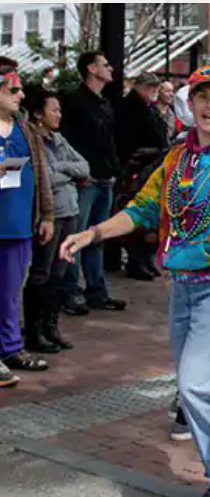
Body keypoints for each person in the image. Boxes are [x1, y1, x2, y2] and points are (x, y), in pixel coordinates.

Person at [60, 65, 210, 497]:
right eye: (203, 97)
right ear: (191, 103)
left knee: (198, 384)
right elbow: (142, 209)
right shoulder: (177, 158)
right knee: (201, 386)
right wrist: (93, 233)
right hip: (183, 285)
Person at [22, 86, 90, 356]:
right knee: (42, 272)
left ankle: (51, 327)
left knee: (60, 274)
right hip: (51, 214)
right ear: (39, 114)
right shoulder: (32, 140)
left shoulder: (59, 140)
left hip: (70, 210)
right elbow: (42, 177)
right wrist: (67, 173)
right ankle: (34, 330)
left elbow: (84, 167)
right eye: (54, 110)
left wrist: (61, 170)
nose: (59, 114)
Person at [59, 51, 126, 314]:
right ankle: (71, 291)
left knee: (97, 238)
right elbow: (65, 141)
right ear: (91, 69)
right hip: (85, 180)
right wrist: (78, 173)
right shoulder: (74, 102)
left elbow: (108, 140)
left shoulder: (104, 102)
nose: (110, 68)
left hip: (105, 177)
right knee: (76, 237)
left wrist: (114, 168)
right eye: (105, 65)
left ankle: (97, 291)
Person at [0, 60, 54, 384]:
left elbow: (41, 174)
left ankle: (10, 348)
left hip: (19, 223)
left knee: (10, 292)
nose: (21, 95)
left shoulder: (25, 128)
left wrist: (47, 214)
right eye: (13, 89)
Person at [114, 71, 171, 281]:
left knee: (151, 217)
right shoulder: (131, 108)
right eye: (151, 89)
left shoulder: (147, 108)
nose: (154, 93)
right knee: (140, 215)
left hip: (152, 165)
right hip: (138, 168)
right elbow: (126, 139)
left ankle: (145, 258)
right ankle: (136, 259)